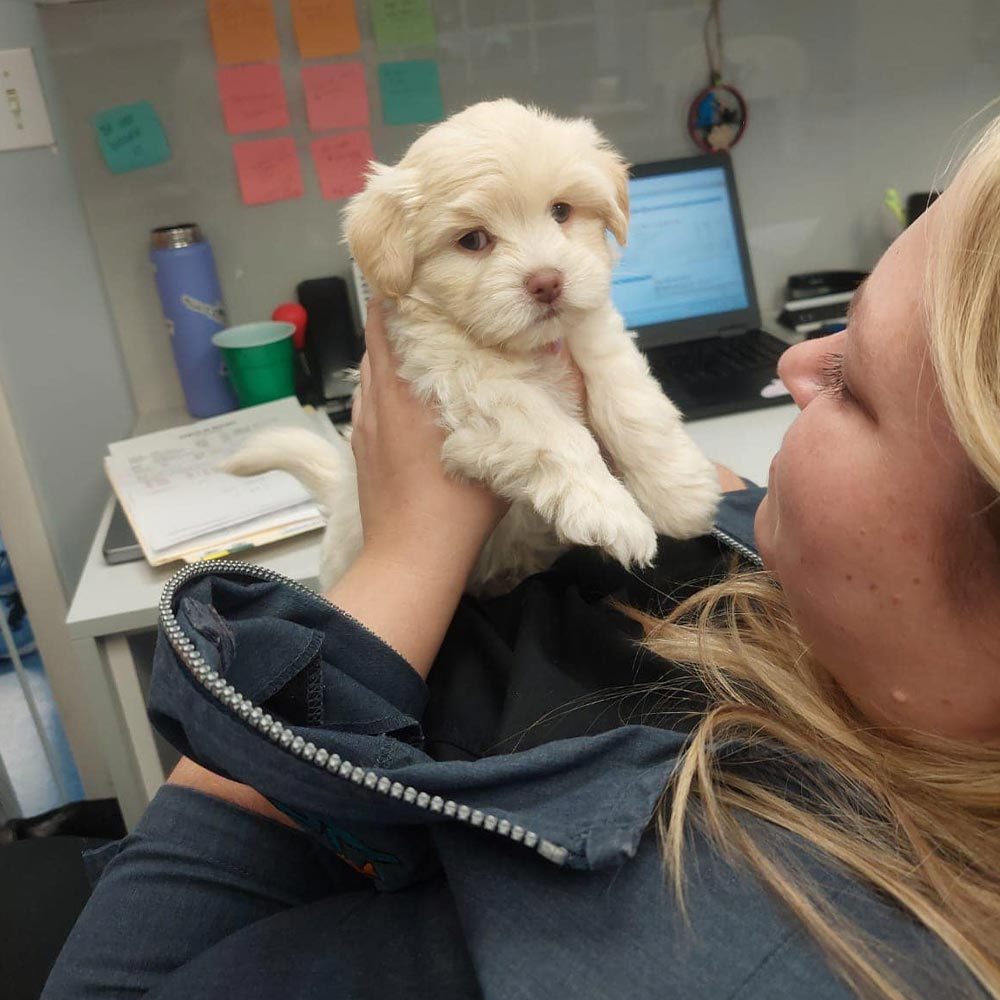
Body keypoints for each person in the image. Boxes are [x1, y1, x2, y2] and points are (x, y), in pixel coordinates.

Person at [43, 118, 1000, 1000]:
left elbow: (114, 982)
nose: (795, 361)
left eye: (854, 383)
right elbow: (727, 507)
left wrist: (409, 548)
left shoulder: (680, 938)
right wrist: (614, 439)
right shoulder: (861, 622)